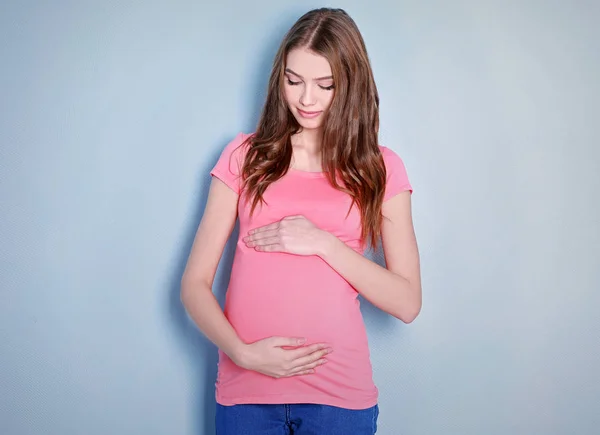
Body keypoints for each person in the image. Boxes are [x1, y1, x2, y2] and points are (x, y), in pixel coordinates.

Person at [181, 7, 422, 435]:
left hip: (337, 400)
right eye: (294, 81)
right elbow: (194, 285)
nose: (306, 99)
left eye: (324, 85)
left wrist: (323, 242)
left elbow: (406, 302)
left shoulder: (380, 168)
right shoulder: (245, 156)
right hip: (246, 395)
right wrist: (243, 353)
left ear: (350, 85)